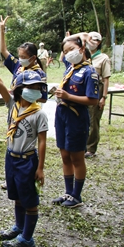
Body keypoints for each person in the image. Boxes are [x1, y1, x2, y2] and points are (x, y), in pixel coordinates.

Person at [0, 55, 48, 247]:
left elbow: (42, 142)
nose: (36, 91)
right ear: (20, 91)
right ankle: (19, 226)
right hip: (11, 157)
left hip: (28, 160)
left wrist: (40, 168)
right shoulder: (13, 106)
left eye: (38, 88)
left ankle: (27, 238)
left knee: (29, 199)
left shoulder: (39, 113)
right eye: (32, 88)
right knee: (17, 196)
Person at [52, 36, 99, 208]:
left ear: (81, 48)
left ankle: (77, 195)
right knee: (65, 155)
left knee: (77, 157)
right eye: (65, 52)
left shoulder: (89, 72)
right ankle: (68, 192)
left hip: (76, 117)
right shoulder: (71, 68)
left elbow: (93, 100)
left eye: (70, 49)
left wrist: (68, 96)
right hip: (62, 115)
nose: (67, 54)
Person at [0, 15, 47, 102]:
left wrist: (21, 94)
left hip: (29, 109)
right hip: (15, 106)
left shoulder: (40, 74)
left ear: (33, 58)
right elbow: (3, 50)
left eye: (24, 57)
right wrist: (2, 31)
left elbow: (43, 99)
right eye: (19, 56)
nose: (20, 59)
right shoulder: (18, 65)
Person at [85, 32, 111, 158]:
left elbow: (106, 79)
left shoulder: (103, 58)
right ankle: (83, 146)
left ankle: (91, 148)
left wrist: (103, 97)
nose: (91, 42)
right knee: (83, 118)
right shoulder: (84, 56)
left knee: (93, 119)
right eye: (89, 40)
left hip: (97, 89)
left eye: (94, 40)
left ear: (99, 42)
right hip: (84, 89)